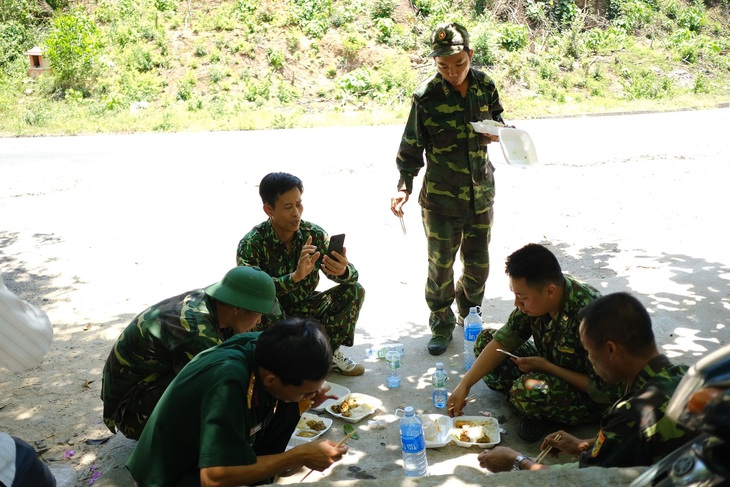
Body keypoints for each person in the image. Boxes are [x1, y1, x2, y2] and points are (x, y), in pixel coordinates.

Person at [389, 21, 507, 356]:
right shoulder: (426, 96)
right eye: (443, 66)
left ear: (470, 55)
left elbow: (498, 119)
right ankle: (440, 325)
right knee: (441, 267)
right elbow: (411, 147)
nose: (452, 72)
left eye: (458, 64)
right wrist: (404, 186)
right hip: (441, 200)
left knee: (479, 264)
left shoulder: (485, 85)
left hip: (480, 194)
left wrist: (499, 132)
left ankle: (469, 314)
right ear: (435, 63)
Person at [478, 292, 695, 472]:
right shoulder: (691, 376)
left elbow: (581, 481)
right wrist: (587, 444)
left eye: (590, 352)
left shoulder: (630, 414)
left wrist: (517, 461)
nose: (590, 360)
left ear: (611, 350)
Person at [126, 318, 347, 487]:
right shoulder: (228, 383)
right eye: (307, 391)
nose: (313, 395)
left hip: (197, 456)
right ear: (271, 379)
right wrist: (298, 455)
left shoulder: (267, 351)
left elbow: (277, 403)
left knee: (286, 408)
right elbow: (213, 477)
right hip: (172, 476)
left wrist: (303, 400)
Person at [447, 244, 621, 441]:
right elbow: (503, 340)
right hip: (548, 368)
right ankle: (530, 404)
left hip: (589, 397)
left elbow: (603, 391)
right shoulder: (535, 304)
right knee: (485, 341)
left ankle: (539, 410)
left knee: (525, 390)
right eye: (515, 295)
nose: (516, 304)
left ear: (550, 291)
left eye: (522, 297)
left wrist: (547, 368)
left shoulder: (590, 315)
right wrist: (464, 384)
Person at [101, 265, 280, 440]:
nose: (259, 321)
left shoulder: (214, 303)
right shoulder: (198, 332)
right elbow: (223, 385)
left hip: (147, 385)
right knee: (226, 393)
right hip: (132, 413)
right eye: (258, 314)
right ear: (237, 308)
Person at [236, 172, 366, 376]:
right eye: (288, 207)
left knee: (354, 290)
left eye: (299, 204)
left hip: (305, 307)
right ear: (268, 209)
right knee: (268, 306)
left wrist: (343, 271)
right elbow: (253, 293)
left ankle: (326, 353)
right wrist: (294, 277)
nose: (296, 213)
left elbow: (351, 276)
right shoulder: (252, 244)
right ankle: (286, 363)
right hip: (270, 316)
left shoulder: (312, 234)